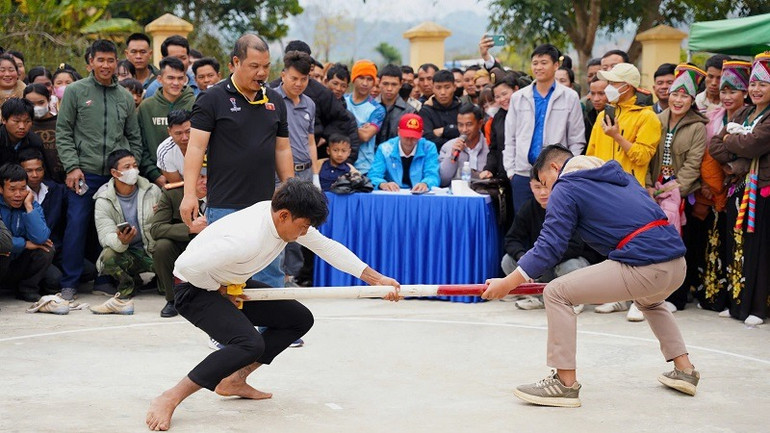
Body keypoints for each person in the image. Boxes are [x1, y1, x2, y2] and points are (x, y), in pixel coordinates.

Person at [145, 178, 400, 431]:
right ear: (284, 215)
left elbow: (327, 247)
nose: (303, 234)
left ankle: (235, 380)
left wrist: (376, 279)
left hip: (227, 283)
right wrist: (218, 290)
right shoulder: (246, 237)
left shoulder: (282, 216)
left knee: (298, 319)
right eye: (302, 227)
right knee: (248, 343)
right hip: (194, 289)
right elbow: (186, 267)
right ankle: (171, 396)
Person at [482, 145, 699, 407]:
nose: (548, 190)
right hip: (676, 265)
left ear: (554, 167)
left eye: (545, 182)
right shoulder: (620, 177)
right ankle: (685, 370)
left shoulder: (566, 185)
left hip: (644, 265)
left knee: (556, 292)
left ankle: (564, 383)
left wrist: (508, 282)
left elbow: (550, 245)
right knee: (649, 301)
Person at [179, 34, 293, 289]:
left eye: (266, 66)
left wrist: (290, 188)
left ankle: (271, 329)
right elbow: (196, 148)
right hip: (225, 206)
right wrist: (188, 195)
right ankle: (225, 330)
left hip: (267, 207)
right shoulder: (212, 99)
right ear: (235, 63)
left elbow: (283, 149)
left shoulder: (274, 100)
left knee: (270, 272)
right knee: (223, 275)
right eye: (254, 66)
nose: (262, 72)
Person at [56, 39, 143, 301]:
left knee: (112, 227)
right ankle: (69, 282)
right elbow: (63, 132)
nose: (106, 65)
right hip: (84, 173)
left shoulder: (125, 98)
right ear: (90, 62)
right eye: (100, 60)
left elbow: (134, 137)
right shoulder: (75, 91)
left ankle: (105, 278)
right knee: (77, 225)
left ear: (117, 62)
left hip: (114, 177)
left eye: (110, 60)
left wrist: (129, 168)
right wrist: (72, 166)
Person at [637, 64, 708, 321]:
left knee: (680, 246)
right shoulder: (655, 120)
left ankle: (676, 296)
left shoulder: (698, 127)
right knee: (654, 245)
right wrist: (646, 186)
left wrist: (666, 190)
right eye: (675, 94)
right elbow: (646, 156)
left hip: (681, 195)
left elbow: (692, 167)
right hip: (651, 191)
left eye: (684, 96)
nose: (678, 100)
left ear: (692, 100)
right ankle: (652, 293)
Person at [709, 52, 770, 327]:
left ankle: (757, 307)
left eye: (763, 85)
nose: (756, 90)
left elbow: (755, 144)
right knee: (737, 245)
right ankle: (737, 304)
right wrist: (739, 163)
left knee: (759, 248)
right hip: (739, 188)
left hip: (763, 190)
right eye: (753, 85)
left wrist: (736, 141)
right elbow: (715, 144)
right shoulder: (746, 112)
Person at [695, 60, 750, 313]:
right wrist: (709, 182)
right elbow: (709, 151)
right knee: (714, 244)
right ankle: (715, 298)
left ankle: (737, 300)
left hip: (740, 188)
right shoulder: (714, 116)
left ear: (745, 92)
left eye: (732, 91)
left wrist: (730, 161)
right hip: (712, 189)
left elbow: (746, 152)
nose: (726, 95)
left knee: (736, 244)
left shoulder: (750, 116)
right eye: (724, 91)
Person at [504, 44, 585, 213]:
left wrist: (567, 172)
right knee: (524, 223)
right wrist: (511, 171)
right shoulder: (519, 97)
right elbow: (510, 137)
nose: (538, 67)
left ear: (556, 65)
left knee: (556, 222)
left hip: (556, 174)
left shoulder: (569, 97)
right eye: (535, 63)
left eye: (544, 62)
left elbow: (576, 139)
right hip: (523, 173)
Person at [501, 167, 594, 310]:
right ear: (531, 186)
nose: (543, 192)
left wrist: (543, 258)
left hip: (567, 261)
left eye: (546, 186)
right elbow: (511, 239)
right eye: (537, 187)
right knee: (508, 261)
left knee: (571, 266)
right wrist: (523, 257)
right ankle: (539, 297)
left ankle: (574, 299)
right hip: (542, 264)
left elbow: (576, 246)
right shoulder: (529, 208)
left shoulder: (568, 205)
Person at [90, 149, 161, 314]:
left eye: (135, 166)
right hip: (128, 253)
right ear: (115, 172)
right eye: (127, 167)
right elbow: (105, 236)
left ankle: (160, 280)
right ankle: (128, 285)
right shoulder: (103, 199)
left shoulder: (153, 191)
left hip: (152, 251)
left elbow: (164, 225)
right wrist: (121, 240)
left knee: (166, 289)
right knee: (107, 256)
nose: (133, 170)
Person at [17, 148, 96, 295]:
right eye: (29, 171)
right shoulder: (16, 194)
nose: (34, 175)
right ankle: (31, 285)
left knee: (89, 271)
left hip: (56, 248)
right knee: (55, 280)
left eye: (38, 169)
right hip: (33, 251)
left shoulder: (56, 189)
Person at [586, 63, 661, 187]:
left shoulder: (648, 117)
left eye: (614, 83)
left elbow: (642, 157)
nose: (609, 88)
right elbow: (591, 155)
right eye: (609, 83)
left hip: (629, 188)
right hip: (601, 187)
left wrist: (617, 137)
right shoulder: (603, 115)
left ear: (628, 86)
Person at [149, 162, 208, 318]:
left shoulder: (224, 196)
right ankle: (173, 299)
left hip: (211, 248)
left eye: (210, 177)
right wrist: (189, 228)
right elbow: (156, 229)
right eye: (201, 177)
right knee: (162, 246)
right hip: (184, 245)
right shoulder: (173, 193)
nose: (205, 182)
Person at [137, 56, 196, 187]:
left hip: (193, 178)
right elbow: (140, 143)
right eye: (170, 78)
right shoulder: (146, 107)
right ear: (160, 79)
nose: (176, 83)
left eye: (180, 78)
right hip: (155, 180)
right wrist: (154, 174)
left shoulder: (196, 104)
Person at [0, 162, 54, 301]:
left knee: (47, 249)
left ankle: (27, 289)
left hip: (18, 262)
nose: (18, 194)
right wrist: (24, 244)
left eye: (23, 188)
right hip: (4, 258)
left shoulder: (30, 203)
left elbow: (41, 238)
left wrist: (29, 207)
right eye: (12, 189)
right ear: (1, 189)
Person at [369, 113, 439, 192]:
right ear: (398, 131)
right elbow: (374, 175)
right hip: (393, 194)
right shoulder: (385, 148)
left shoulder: (429, 148)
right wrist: (383, 184)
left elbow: (433, 175)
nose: (409, 141)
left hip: (419, 195)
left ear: (421, 134)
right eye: (406, 136)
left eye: (414, 137)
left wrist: (426, 184)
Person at [345, 60, 385, 174]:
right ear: (353, 79)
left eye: (369, 79)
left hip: (364, 167)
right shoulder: (342, 101)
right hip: (340, 162)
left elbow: (365, 136)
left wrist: (342, 126)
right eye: (361, 78)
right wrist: (360, 128)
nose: (365, 83)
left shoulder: (377, 109)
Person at [438, 103, 488, 186]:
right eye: (460, 125)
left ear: (480, 124)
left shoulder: (490, 147)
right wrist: (452, 156)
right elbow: (443, 180)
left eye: (469, 125)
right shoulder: (448, 146)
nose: (464, 130)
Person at [23, 84, 65, 183]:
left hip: (64, 178)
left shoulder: (62, 122)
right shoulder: (23, 126)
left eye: (41, 102)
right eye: (31, 104)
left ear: (49, 100)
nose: (36, 107)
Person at [480, 75, 518, 181]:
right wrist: (489, 168)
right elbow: (494, 148)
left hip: (525, 172)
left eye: (505, 94)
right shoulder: (498, 118)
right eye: (497, 97)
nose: (502, 99)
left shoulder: (528, 112)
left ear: (516, 89)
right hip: (504, 174)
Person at [419, 70, 462, 151]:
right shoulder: (426, 111)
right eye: (438, 88)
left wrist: (444, 130)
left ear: (454, 87)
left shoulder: (463, 109)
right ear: (432, 88)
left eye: (447, 87)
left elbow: (467, 134)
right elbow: (428, 139)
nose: (443, 92)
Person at [375, 64, 416, 145]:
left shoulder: (410, 112)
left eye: (394, 84)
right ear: (379, 83)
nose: (389, 88)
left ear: (400, 84)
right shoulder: (370, 107)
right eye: (385, 84)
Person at [0, 98, 45, 170]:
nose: (22, 127)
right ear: (4, 120)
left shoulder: (35, 142)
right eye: (16, 121)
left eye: (27, 121)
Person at [156, 110, 191, 183]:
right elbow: (177, 184)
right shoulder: (164, 151)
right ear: (169, 132)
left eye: (188, 131)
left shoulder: (207, 143)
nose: (185, 138)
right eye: (178, 133)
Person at [584, 77, 609, 144]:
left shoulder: (618, 116)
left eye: (601, 94)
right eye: (592, 93)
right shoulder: (588, 115)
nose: (596, 99)